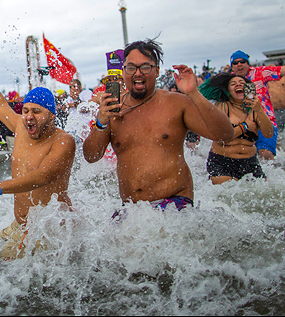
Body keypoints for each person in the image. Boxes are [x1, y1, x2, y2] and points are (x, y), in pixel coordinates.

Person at [83, 39, 234, 216]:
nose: (137, 74)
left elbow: (225, 134)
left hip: (174, 204)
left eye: (145, 67)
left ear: (157, 71)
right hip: (133, 210)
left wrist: (194, 93)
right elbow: (91, 156)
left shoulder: (176, 102)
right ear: (123, 72)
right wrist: (101, 122)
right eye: (131, 68)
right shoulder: (112, 109)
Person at [0, 54, 76, 260]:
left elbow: (42, 176)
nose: (29, 116)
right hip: (22, 223)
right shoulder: (21, 127)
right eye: (26, 110)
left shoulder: (63, 141)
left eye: (37, 111)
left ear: (52, 116)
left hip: (49, 227)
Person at [199, 72, 273, 184]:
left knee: (264, 191)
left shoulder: (255, 109)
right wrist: (245, 126)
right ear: (228, 91)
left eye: (242, 83)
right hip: (222, 161)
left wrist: (259, 110)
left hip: (250, 162)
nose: (238, 85)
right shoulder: (223, 105)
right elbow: (221, 136)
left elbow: (268, 134)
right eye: (233, 84)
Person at [229, 50, 284, 160]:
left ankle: (276, 175)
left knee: (265, 154)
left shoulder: (260, 72)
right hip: (243, 124)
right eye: (235, 63)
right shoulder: (228, 80)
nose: (239, 64)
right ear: (232, 67)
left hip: (265, 120)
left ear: (248, 64)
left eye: (242, 61)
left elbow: (282, 70)